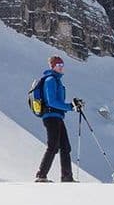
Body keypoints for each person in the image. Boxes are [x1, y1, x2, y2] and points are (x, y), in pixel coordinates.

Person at [35, 55, 83, 183]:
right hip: (51, 117)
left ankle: (67, 177)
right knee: (53, 146)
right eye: (59, 65)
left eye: (62, 65)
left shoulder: (57, 81)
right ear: (53, 67)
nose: (61, 68)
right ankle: (41, 175)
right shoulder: (50, 80)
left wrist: (72, 106)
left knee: (65, 147)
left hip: (57, 117)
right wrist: (69, 106)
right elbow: (51, 102)